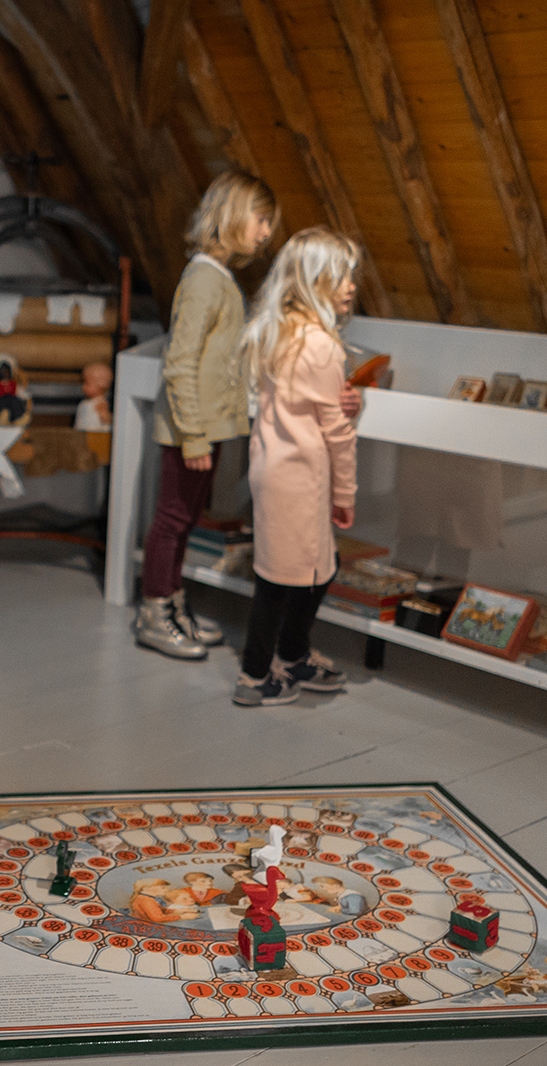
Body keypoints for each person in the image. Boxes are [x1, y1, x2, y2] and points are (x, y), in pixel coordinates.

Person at [137, 171, 279, 660]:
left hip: (206, 427)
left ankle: (172, 606)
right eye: (261, 220)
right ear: (233, 214)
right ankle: (154, 612)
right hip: (189, 429)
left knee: (186, 519)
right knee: (172, 520)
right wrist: (193, 436)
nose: (266, 233)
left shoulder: (219, 278)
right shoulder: (202, 279)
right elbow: (180, 362)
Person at [231, 228, 362, 707]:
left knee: (295, 571)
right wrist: (345, 493)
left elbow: (309, 405)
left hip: (271, 470)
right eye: (341, 275)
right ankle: (255, 674)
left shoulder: (275, 332)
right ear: (314, 281)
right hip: (303, 478)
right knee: (287, 579)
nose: (351, 284)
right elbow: (337, 434)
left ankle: (291, 653)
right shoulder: (322, 347)